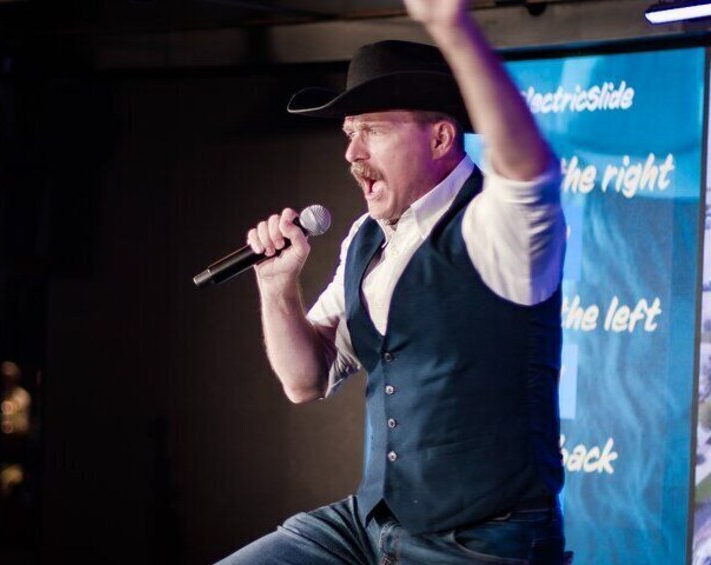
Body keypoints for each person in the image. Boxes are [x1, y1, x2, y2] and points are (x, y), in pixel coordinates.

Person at [219, 0, 566, 562]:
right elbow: (303, 381)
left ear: (439, 138)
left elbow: (528, 169)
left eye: (373, 131)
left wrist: (452, 25)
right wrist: (277, 285)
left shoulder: (496, 225)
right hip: (368, 524)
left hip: (476, 542)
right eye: (349, 133)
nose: (352, 154)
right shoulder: (365, 237)